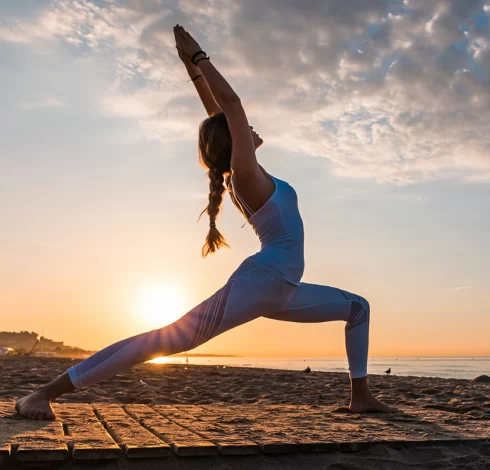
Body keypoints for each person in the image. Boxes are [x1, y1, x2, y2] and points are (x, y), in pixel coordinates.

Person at [15, 25, 396, 420]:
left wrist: (192, 71)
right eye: (243, 128)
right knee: (165, 340)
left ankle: (361, 396)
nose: (251, 128)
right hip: (262, 281)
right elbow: (229, 105)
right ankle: (45, 392)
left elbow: (217, 112)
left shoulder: (248, 172)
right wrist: (200, 56)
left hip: (285, 288)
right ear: (235, 139)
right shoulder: (244, 174)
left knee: (358, 308)